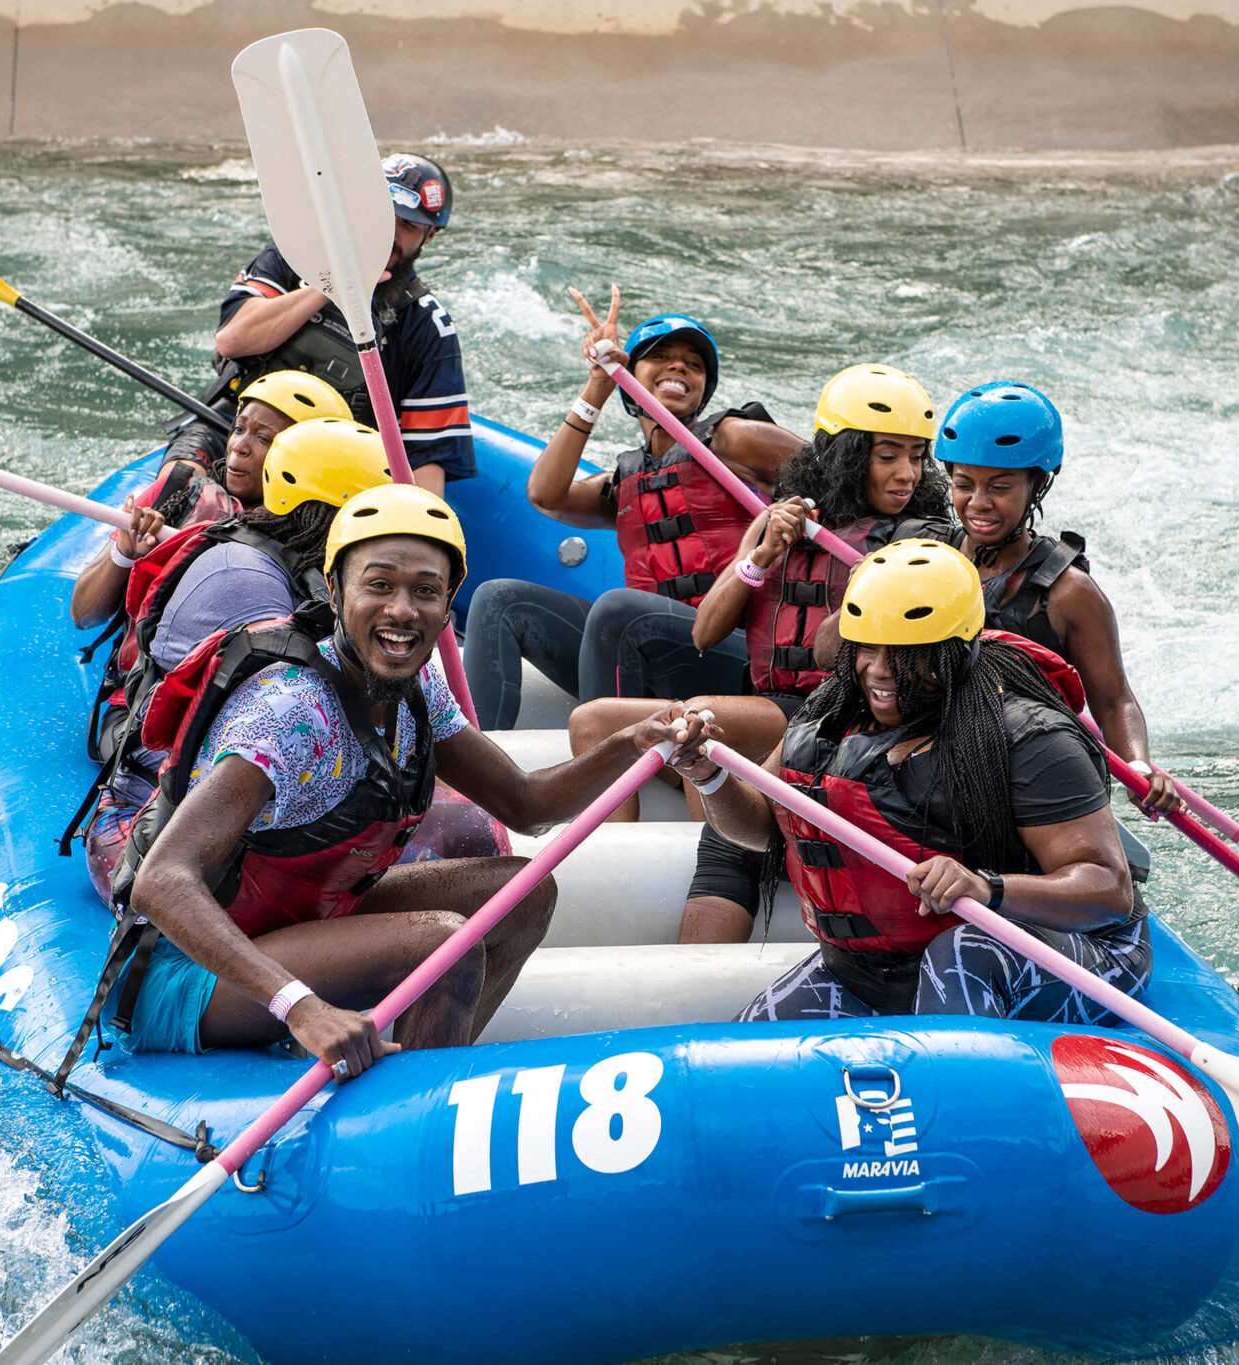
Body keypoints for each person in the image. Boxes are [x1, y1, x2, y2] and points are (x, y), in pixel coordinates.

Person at [110, 485, 706, 1069]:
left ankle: (430, 1070)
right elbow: (161, 880)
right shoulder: (290, 713)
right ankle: (417, 1101)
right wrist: (301, 1008)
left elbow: (526, 804)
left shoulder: (417, 690)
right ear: (337, 590)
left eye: (426, 592)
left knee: (522, 894)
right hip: (187, 974)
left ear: (449, 609)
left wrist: (631, 743)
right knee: (439, 941)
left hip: (307, 923)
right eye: (379, 585)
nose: (402, 610)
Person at [669, 539, 1151, 1024]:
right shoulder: (829, 719)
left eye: (904, 653)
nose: (879, 671)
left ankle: (957, 1085)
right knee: (753, 1042)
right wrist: (710, 777)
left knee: (963, 954)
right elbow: (761, 830)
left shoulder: (1029, 736)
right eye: (868, 648)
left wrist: (986, 888)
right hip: (880, 969)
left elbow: (1109, 891)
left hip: (1066, 951)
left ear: (954, 650)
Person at [561, 364, 952, 942]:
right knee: (591, 720)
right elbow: (705, 632)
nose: (905, 474)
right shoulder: (785, 521)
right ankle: (615, 871)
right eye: (887, 455)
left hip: (827, 714)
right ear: (846, 454)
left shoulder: (919, 539)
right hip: (766, 705)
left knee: (701, 719)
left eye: (916, 457)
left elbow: (836, 655)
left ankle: (726, 842)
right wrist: (763, 552)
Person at [68, 416, 391, 901]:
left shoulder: (299, 565)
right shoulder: (243, 579)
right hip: (150, 831)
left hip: (235, 804)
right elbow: (271, 736)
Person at [461, 291, 802, 728]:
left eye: (694, 364)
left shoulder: (733, 440)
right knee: (498, 598)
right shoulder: (625, 482)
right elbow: (546, 494)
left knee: (619, 609)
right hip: (637, 652)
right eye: (661, 357)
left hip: (732, 653)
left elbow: (834, 472)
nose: (679, 366)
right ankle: (480, 767)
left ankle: (606, 769)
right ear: (631, 378)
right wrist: (599, 384)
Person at [936, 381, 1180, 812]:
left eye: (1000, 486)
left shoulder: (1069, 593)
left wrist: (1139, 767)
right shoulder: (927, 558)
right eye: (963, 484)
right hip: (944, 759)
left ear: (1037, 486)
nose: (978, 502)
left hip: (1031, 774)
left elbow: (1114, 699)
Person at [202, 153, 472, 495]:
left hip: (328, 477)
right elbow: (232, 341)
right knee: (182, 474)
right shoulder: (292, 256)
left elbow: (426, 467)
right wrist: (332, 285)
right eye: (381, 215)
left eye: (408, 226)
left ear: (429, 237)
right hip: (230, 435)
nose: (388, 233)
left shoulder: (428, 328)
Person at [67, 370, 352, 634]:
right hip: (151, 683)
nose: (238, 446)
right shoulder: (176, 495)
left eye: (264, 438)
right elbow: (83, 614)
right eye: (239, 429)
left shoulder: (327, 534)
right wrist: (124, 555)